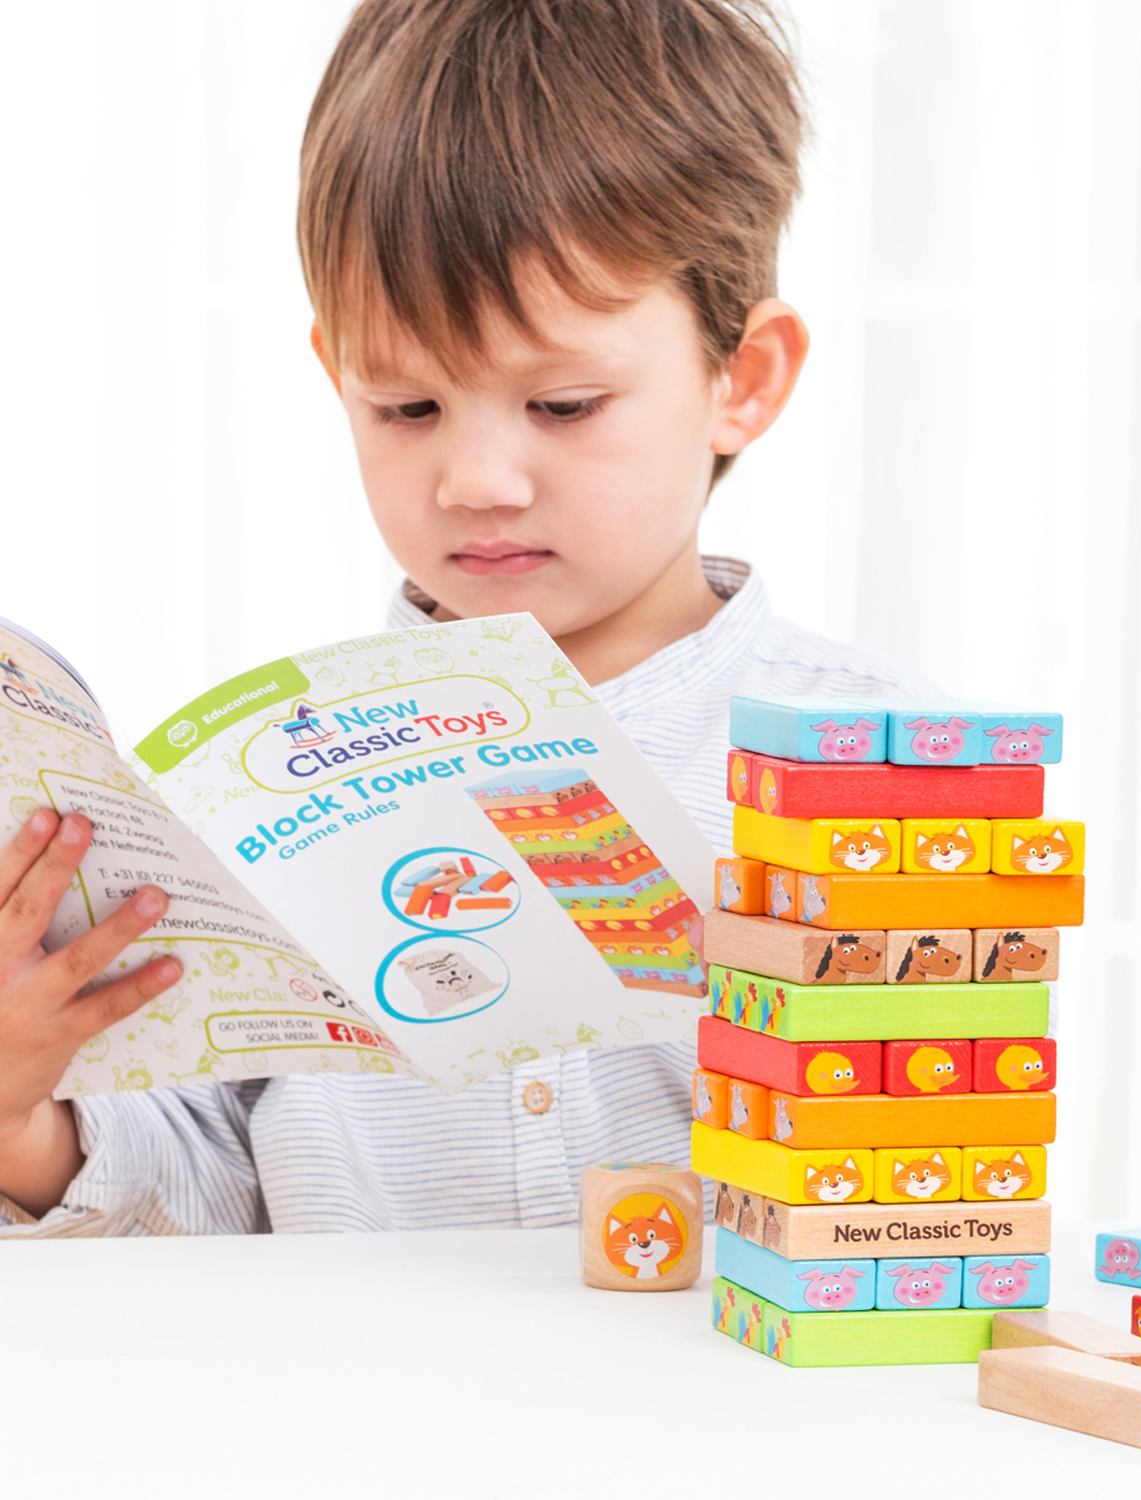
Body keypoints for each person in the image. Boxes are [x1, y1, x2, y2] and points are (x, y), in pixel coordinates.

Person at [0, 0, 932, 1235]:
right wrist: (25, 1118)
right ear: (337, 374)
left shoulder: (877, 770)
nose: (475, 480)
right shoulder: (265, 793)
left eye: (564, 405)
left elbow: (930, 1188)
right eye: (406, 407)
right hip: (359, 1417)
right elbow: (209, 1194)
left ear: (740, 380)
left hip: (717, 1417)